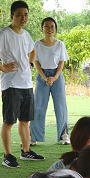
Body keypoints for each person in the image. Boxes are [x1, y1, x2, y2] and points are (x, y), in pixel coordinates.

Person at [0, 0, 43, 169]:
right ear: (12, 16)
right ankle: (8, 155)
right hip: (11, 84)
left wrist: (30, 63)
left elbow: (32, 50)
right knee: (9, 121)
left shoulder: (26, 35)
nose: (23, 18)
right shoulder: (4, 33)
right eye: (19, 15)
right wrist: (3, 67)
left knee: (25, 120)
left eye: (25, 14)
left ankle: (26, 151)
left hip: (26, 82)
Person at [30, 17, 70, 146]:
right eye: (46, 26)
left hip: (57, 77)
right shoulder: (36, 44)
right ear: (42, 29)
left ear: (55, 29)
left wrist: (55, 77)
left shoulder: (60, 44)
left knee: (61, 107)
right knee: (38, 107)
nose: (49, 29)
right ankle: (33, 137)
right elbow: (35, 62)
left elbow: (61, 62)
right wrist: (44, 77)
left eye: (52, 26)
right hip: (42, 76)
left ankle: (64, 135)